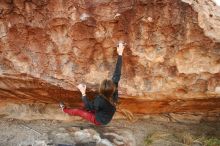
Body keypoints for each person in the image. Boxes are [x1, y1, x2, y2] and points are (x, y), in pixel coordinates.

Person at [59, 42, 125, 125]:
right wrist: (120, 54)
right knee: (86, 107)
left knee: (79, 111)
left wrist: (83, 92)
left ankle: (64, 110)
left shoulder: (99, 100)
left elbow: (88, 106)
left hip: (99, 120)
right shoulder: (114, 89)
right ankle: (92, 110)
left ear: (101, 90)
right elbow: (117, 73)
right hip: (104, 113)